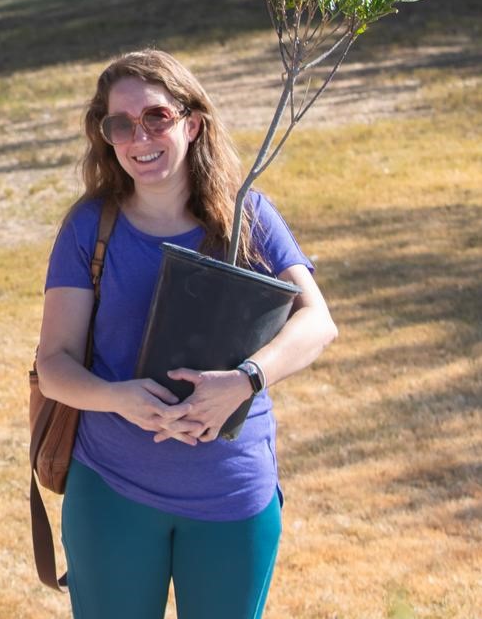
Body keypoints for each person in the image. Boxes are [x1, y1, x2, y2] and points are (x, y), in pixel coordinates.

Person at [34, 50, 337, 619]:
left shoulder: (248, 216)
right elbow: (54, 365)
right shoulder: (88, 226)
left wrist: (245, 381)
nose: (138, 137)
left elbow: (318, 321)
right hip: (113, 487)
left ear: (192, 123)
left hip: (231, 491)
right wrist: (119, 398)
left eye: (156, 117)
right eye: (119, 124)